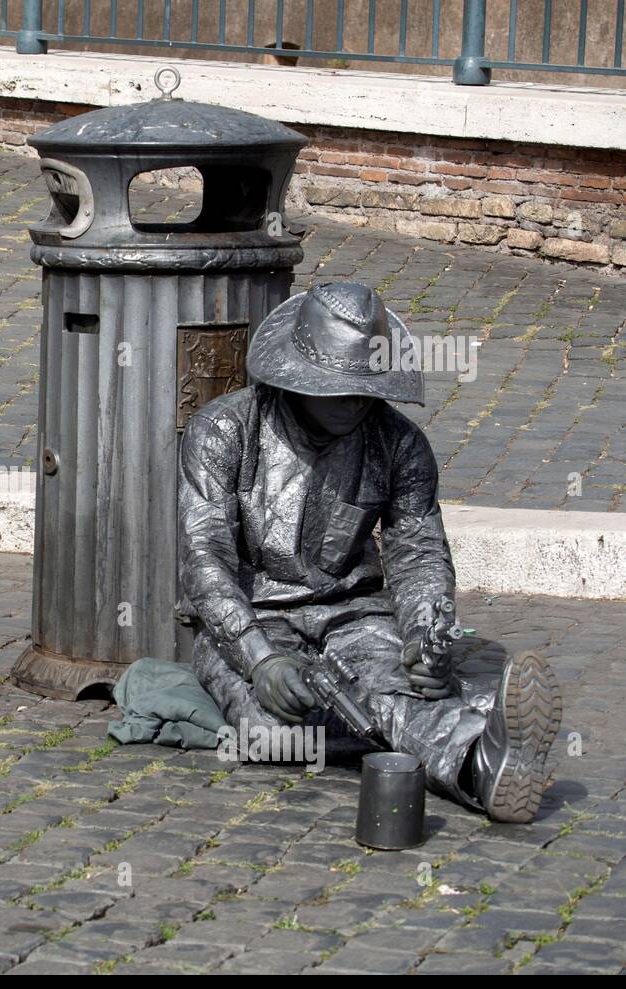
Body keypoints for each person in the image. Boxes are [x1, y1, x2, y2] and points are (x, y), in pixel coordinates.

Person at [178, 281, 562, 823]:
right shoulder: (222, 431)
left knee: (392, 684)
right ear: (295, 376)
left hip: (353, 614)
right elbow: (204, 558)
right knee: (266, 731)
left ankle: (482, 763)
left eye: (366, 386)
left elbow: (419, 554)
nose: (356, 401)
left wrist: (425, 639)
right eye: (336, 387)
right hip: (253, 620)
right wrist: (258, 658)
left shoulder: (401, 444)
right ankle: (437, 721)